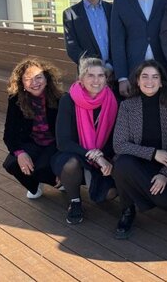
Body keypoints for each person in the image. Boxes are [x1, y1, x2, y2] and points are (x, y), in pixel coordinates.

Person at [111, 60, 167, 239]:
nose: (149, 81)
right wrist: (153, 153)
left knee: (164, 200)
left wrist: (164, 173)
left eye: (155, 77)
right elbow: (119, 144)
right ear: (138, 81)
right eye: (144, 76)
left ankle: (141, 198)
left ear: (161, 82)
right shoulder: (127, 106)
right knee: (121, 163)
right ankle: (127, 210)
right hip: (136, 165)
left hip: (163, 168)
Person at [51, 57, 118, 224]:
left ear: (106, 78)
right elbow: (63, 142)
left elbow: (114, 137)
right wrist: (92, 155)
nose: (96, 80)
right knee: (71, 164)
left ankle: (83, 180)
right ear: (81, 79)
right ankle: (74, 201)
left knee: (110, 194)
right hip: (73, 152)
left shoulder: (112, 100)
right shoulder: (68, 100)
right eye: (90, 75)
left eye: (101, 75)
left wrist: (101, 156)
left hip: (100, 155)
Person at [2, 58, 64, 199]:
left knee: (42, 169)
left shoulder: (60, 98)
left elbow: (69, 132)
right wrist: (20, 153)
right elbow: (9, 133)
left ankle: (60, 182)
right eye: (28, 79)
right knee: (11, 163)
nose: (34, 83)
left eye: (38, 77)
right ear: (22, 83)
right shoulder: (15, 100)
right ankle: (34, 185)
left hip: (55, 144)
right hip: (32, 142)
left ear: (47, 79)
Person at [63, 0, 112, 68]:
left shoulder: (113, 9)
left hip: (115, 71)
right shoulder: (70, 14)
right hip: (89, 72)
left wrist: (111, 65)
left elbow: (120, 40)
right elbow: (72, 48)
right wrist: (94, 68)